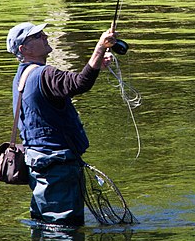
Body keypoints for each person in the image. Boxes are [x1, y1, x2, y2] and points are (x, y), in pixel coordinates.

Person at [6, 21, 117, 228]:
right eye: (38, 36)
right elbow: (79, 83)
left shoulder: (22, 75)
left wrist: (97, 62)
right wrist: (100, 48)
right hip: (57, 168)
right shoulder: (45, 74)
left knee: (44, 226)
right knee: (64, 231)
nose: (45, 36)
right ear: (24, 49)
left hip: (38, 164)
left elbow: (67, 83)